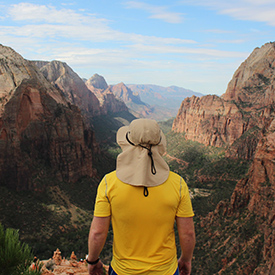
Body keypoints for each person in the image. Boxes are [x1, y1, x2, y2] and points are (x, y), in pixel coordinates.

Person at [87, 118, 195, 275]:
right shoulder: (177, 184)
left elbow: (97, 232)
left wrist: (93, 261)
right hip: (166, 271)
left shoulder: (108, 183)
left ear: (128, 144)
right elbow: (188, 233)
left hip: (123, 271)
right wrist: (186, 260)